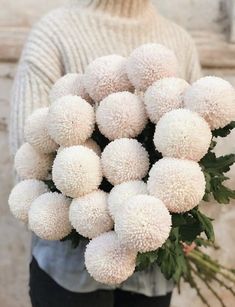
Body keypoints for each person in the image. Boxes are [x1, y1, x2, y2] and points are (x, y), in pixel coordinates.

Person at [10, 0, 201, 306]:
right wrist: (111, 218)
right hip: (68, 273)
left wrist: (181, 217)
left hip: (152, 276)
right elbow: (30, 156)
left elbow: (195, 140)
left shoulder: (179, 40)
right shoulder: (55, 31)